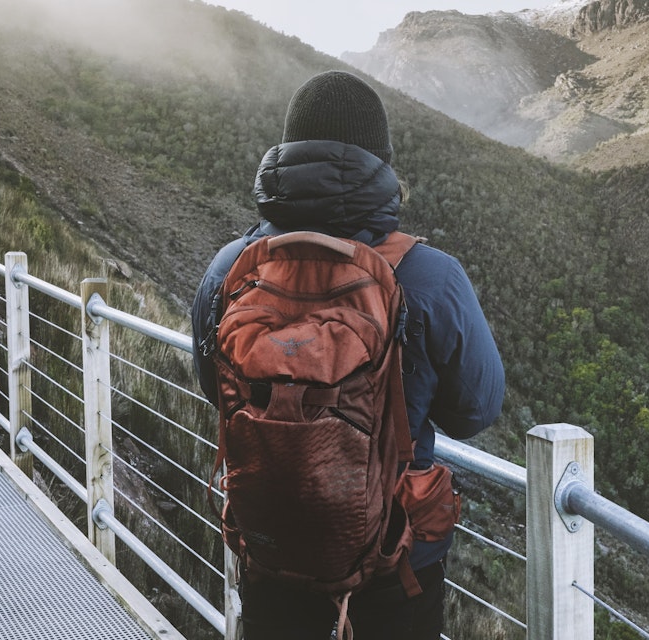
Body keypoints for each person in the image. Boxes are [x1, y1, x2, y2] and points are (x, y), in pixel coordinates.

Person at [190, 70, 505, 639]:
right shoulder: (431, 277)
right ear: (382, 165)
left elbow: (216, 388)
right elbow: (476, 410)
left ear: (284, 156)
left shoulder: (228, 271)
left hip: (272, 547)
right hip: (396, 556)